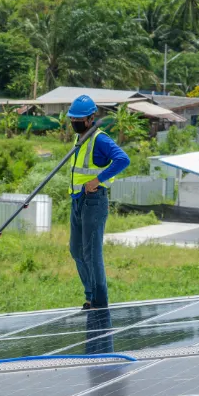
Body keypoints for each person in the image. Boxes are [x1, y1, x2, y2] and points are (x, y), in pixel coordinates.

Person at [67, 95, 130, 311]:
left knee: (91, 253)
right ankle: (90, 294)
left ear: (91, 118)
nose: (75, 122)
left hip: (94, 201)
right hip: (77, 199)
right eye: (72, 118)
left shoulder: (100, 139)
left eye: (79, 119)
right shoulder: (80, 139)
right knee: (76, 250)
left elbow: (123, 159)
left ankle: (99, 302)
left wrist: (97, 180)